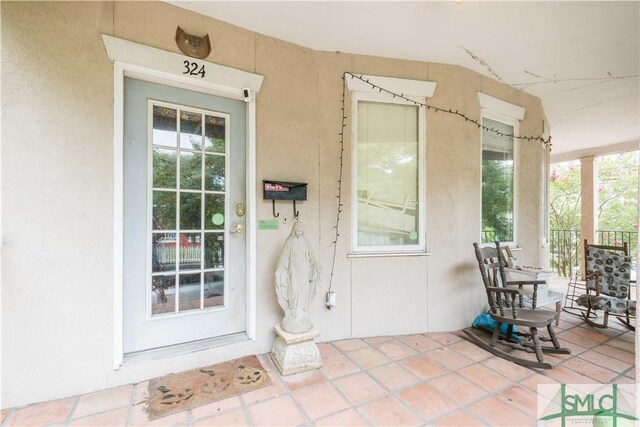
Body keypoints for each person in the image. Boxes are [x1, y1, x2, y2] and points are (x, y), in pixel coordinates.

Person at [275, 221, 321, 333]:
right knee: (294, 290)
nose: (300, 233)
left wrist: (316, 265)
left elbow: (312, 256)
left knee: (303, 291)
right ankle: (293, 311)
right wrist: (281, 267)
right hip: (294, 272)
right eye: (298, 231)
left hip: (304, 272)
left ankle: (301, 312)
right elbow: (284, 256)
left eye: (302, 231)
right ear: (294, 230)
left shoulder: (305, 242)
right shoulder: (289, 242)